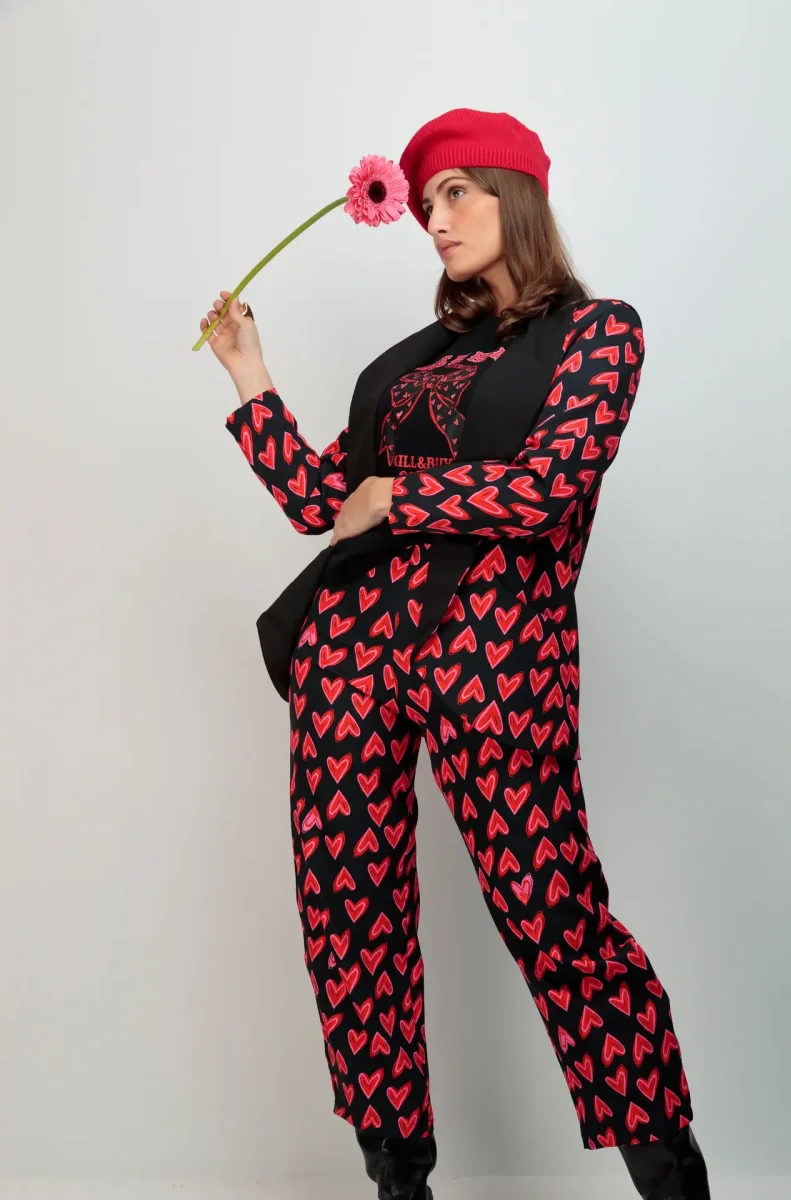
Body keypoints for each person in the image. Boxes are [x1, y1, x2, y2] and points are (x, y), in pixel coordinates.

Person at [201, 109, 711, 1200]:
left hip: (495, 657)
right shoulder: (409, 365)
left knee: (553, 912)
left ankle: (671, 1177)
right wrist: (249, 374)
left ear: (514, 196)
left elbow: (550, 486)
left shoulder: (597, 334)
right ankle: (399, 1181)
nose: (434, 219)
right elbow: (322, 503)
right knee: (350, 916)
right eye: (425, 201)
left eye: (457, 194)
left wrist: (403, 496)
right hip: (350, 659)